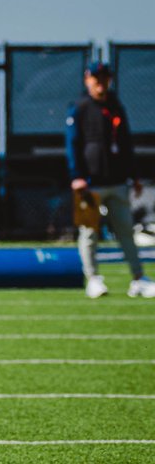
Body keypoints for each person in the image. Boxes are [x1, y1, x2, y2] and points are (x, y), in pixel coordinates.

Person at [66, 60, 155, 299]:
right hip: (90, 184)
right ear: (87, 80)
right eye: (96, 78)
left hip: (117, 181)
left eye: (104, 78)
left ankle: (138, 278)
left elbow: (125, 143)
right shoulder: (80, 108)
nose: (101, 83)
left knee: (126, 230)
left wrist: (134, 175)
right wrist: (77, 176)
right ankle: (93, 278)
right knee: (89, 233)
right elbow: (73, 144)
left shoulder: (116, 106)